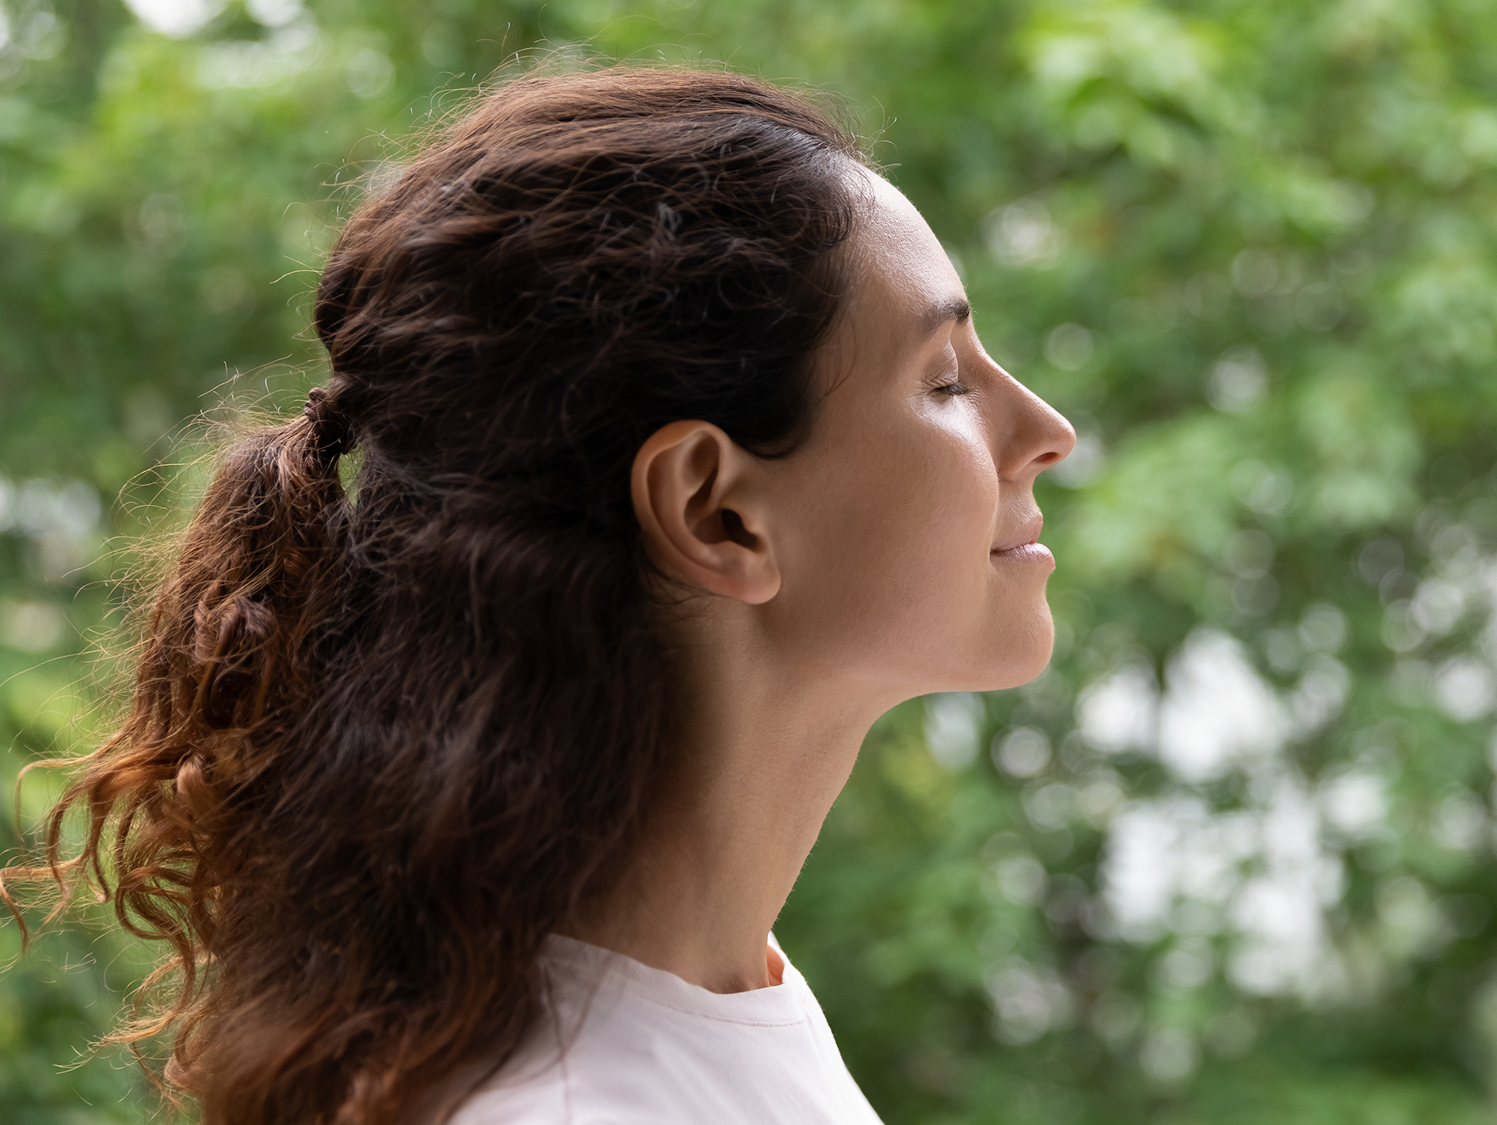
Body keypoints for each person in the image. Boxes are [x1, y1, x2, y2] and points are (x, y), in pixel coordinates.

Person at [13, 65, 1073, 1125]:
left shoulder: (720, 998)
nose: (1046, 432)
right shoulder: (567, 1100)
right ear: (716, 512)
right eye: (943, 379)